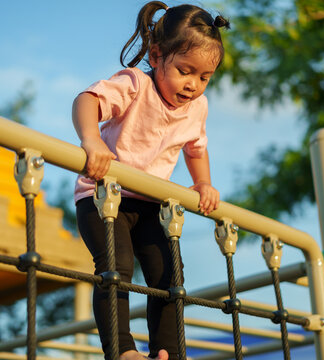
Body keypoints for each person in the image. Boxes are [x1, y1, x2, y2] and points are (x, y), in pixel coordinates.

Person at [72, 2, 229, 359]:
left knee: (169, 275)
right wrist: (91, 140)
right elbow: (86, 100)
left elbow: (196, 148)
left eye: (204, 78)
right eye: (185, 71)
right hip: (102, 196)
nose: (193, 85)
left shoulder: (197, 108)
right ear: (157, 56)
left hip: (148, 203)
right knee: (117, 266)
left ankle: (167, 352)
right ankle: (122, 351)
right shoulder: (134, 84)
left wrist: (203, 183)